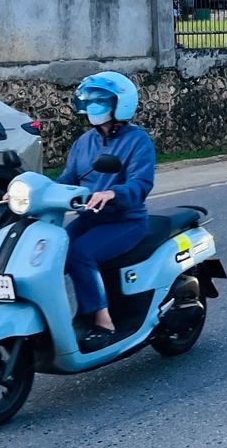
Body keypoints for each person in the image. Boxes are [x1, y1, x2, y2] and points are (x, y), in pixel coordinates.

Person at [60, 72, 157, 352]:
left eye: (100, 101)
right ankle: (69, 316)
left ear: (120, 105)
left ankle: (104, 322)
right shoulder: (84, 142)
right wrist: (30, 189)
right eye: (89, 101)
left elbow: (141, 183)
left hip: (125, 220)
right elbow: (67, 179)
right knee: (52, 250)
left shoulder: (138, 141)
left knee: (80, 253)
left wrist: (113, 193)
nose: (93, 106)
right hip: (90, 218)